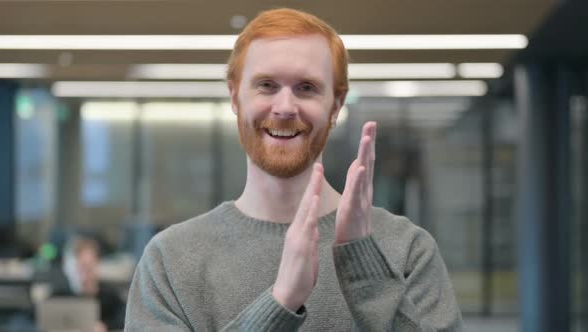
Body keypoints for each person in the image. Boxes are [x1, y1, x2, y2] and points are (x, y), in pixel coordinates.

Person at [125, 8, 463, 331]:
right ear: (234, 96)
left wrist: (365, 269)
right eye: (267, 86)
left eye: (306, 88)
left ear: (336, 105)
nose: (285, 107)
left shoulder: (406, 249)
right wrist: (280, 302)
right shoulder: (170, 261)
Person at [56, 236, 125, 331]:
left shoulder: (110, 297)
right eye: (82, 267)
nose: (85, 272)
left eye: (88, 266)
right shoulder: (62, 294)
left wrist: (105, 326)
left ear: (97, 263)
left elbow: (124, 319)